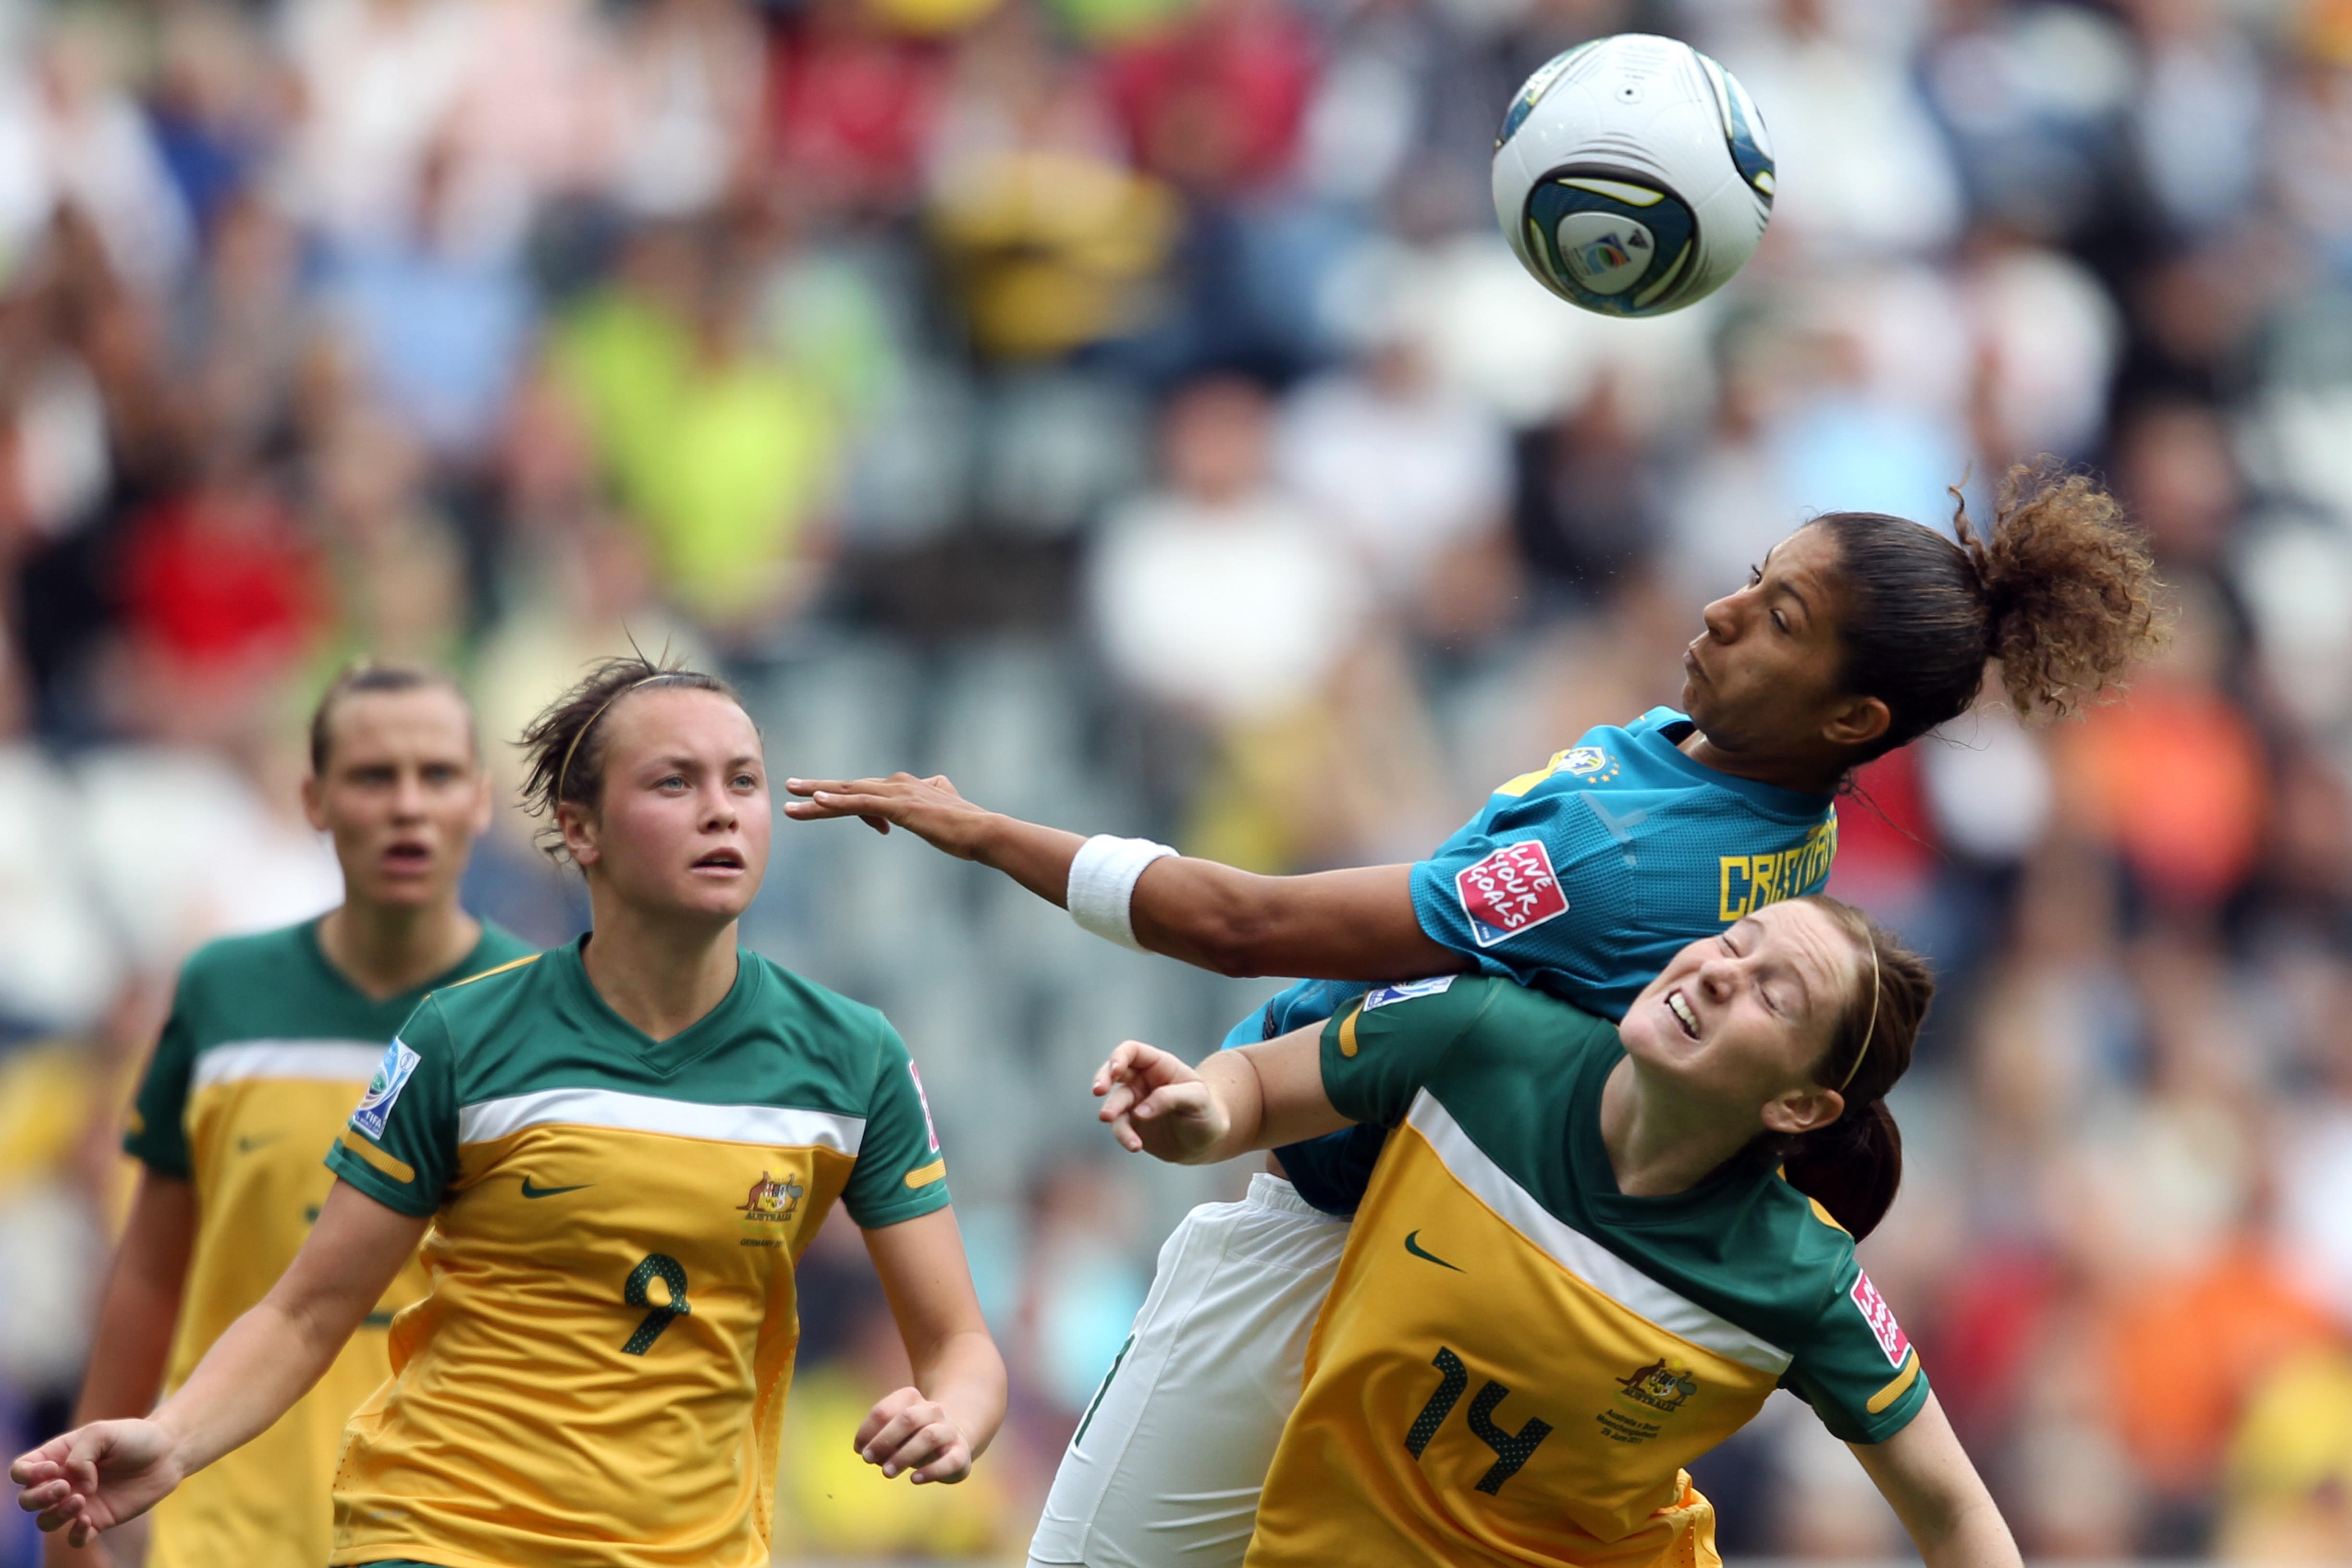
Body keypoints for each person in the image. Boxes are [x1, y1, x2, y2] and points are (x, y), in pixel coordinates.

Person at [783, 466, 2163, 1568]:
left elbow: (1238, 923)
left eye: (1782, 620)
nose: (1730, 612)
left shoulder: (1632, 854)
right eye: (1758, 579)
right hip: (1450, 1258)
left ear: (1853, 716)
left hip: (1365, 1241)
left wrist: (982, 832)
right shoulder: (1763, 815)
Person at [14, 655, 1007, 1568]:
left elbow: (960, 1343)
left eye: (743, 782)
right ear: (581, 831)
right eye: (675, 783)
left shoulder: (851, 1058)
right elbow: (309, 1308)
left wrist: (955, 1417)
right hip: (441, 1532)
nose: (723, 812)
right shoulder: (461, 1036)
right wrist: (173, 1437)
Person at [1093, 894, 2021, 1568]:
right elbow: (1252, 1087)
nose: (1722, 971)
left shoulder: (1800, 1277)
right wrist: (1201, 1112)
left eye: (1773, 997)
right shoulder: (1481, 1036)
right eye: (1737, 942)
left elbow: (1956, 1514)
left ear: (1800, 1104)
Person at [52, 662, 533, 1568]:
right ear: (313, 800)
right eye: (371, 776)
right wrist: (71, 1515)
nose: (406, 806)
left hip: (454, 1530)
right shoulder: (223, 994)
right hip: (232, 1526)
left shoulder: (543, 1017)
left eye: (435, 776)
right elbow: (151, 1271)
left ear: (480, 800)